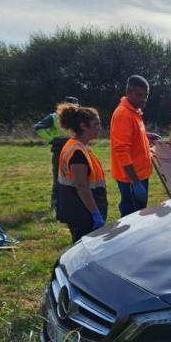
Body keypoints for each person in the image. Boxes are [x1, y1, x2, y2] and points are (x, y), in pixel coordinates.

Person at [54, 102, 107, 243]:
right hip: (82, 212)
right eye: (96, 124)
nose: (99, 128)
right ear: (83, 126)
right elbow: (81, 185)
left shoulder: (78, 146)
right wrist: (95, 213)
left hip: (81, 209)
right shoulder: (77, 152)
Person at [110, 75, 153, 215]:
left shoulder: (134, 112)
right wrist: (135, 182)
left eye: (146, 95)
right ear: (128, 93)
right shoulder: (124, 114)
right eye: (139, 95)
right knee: (131, 217)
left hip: (140, 175)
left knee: (139, 214)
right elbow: (121, 150)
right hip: (131, 179)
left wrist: (147, 138)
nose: (143, 99)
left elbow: (132, 138)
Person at [34, 96, 79, 210]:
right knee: (58, 178)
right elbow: (39, 127)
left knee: (76, 178)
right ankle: (55, 205)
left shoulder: (79, 116)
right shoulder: (54, 117)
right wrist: (51, 140)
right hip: (60, 150)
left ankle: (70, 203)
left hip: (75, 149)